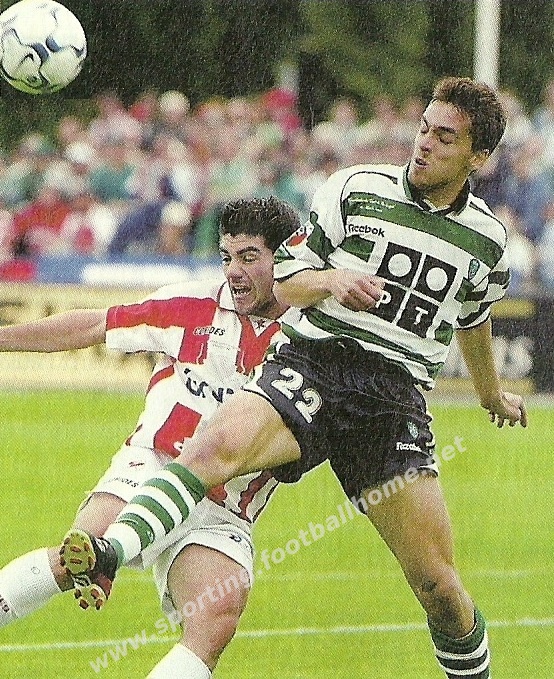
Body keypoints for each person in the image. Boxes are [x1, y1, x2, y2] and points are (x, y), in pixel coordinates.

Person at [61, 77, 528, 679]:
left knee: (438, 587)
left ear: (478, 156)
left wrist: (491, 394)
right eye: (423, 129)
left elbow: (474, 318)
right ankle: (110, 548)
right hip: (316, 362)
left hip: (393, 401)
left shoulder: (488, 240)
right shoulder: (356, 188)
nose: (425, 144)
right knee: (214, 448)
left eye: (445, 137)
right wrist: (332, 280)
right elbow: (285, 280)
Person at [0, 196, 300, 678]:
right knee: (82, 552)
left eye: (249, 257)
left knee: (215, 619)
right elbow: (94, 324)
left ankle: (107, 560)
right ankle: (100, 555)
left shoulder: (309, 338)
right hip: (153, 465)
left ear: (286, 257)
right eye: (227, 257)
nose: (234, 272)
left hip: (225, 506)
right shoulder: (190, 304)